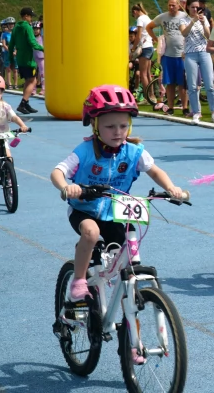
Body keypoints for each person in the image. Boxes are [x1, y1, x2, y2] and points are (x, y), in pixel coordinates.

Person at [51, 85, 184, 302]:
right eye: (110, 126)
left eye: (123, 125)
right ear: (95, 126)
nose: (118, 131)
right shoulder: (84, 151)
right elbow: (57, 172)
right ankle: (78, 280)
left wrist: (171, 188)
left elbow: (155, 171)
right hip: (84, 210)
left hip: (115, 212)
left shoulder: (134, 151)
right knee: (91, 234)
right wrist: (67, 187)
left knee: (125, 247)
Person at [147, 0, 189, 115]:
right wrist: (156, 39)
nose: (171, 7)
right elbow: (149, 27)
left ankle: (185, 107)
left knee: (182, 83)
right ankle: (170, 107)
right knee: (170, 83)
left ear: (178, 5)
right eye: (169, 5)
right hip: (168, 55)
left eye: (173, 5)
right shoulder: (162, 17)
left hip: (182, 55)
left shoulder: (184, 16)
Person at [181, 0, 214, 124]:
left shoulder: (204, 19)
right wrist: (193, 21)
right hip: (190, 54)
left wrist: (203, 23)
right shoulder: (183, 19)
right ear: (188, 7)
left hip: (204, 52)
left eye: (198, 8)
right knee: (192, 86)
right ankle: (196, 112)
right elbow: (184, 33)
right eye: (193, 7)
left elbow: (208, 36)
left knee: (210, 85)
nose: (196, 10)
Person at [8, 7, 44, 115]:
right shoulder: (27, 27)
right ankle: (23, 103)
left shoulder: (15, 28)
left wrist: (11, 59)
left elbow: (11, 44)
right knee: (33, 80)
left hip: (20, 58)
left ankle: (26, 103)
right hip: (28, 59)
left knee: (28, 80)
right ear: (26, 16)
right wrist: (44, 49)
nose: (31, 19)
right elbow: (32, 42)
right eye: (30, 17)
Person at [132, 3, 154, 100]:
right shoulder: (147, 17)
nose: (135, 16)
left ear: (135, 12)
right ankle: (152, 95)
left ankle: (147, 97)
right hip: (150, 46)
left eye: (134, 14)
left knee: (143, 74)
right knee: (148, 74)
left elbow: (139, 35)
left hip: (144, 48)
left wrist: (133, 48)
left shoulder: (140, 19)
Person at [32, 21, 45, 95]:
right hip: (33, 58)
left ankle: (43, 89)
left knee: (42, 73)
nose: (36, 31)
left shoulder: (43, 38)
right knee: (33, 74)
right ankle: (33, 89)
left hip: (41, 57)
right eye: (34, 29)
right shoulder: (32, 38)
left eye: (37, 29)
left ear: (40, 30)